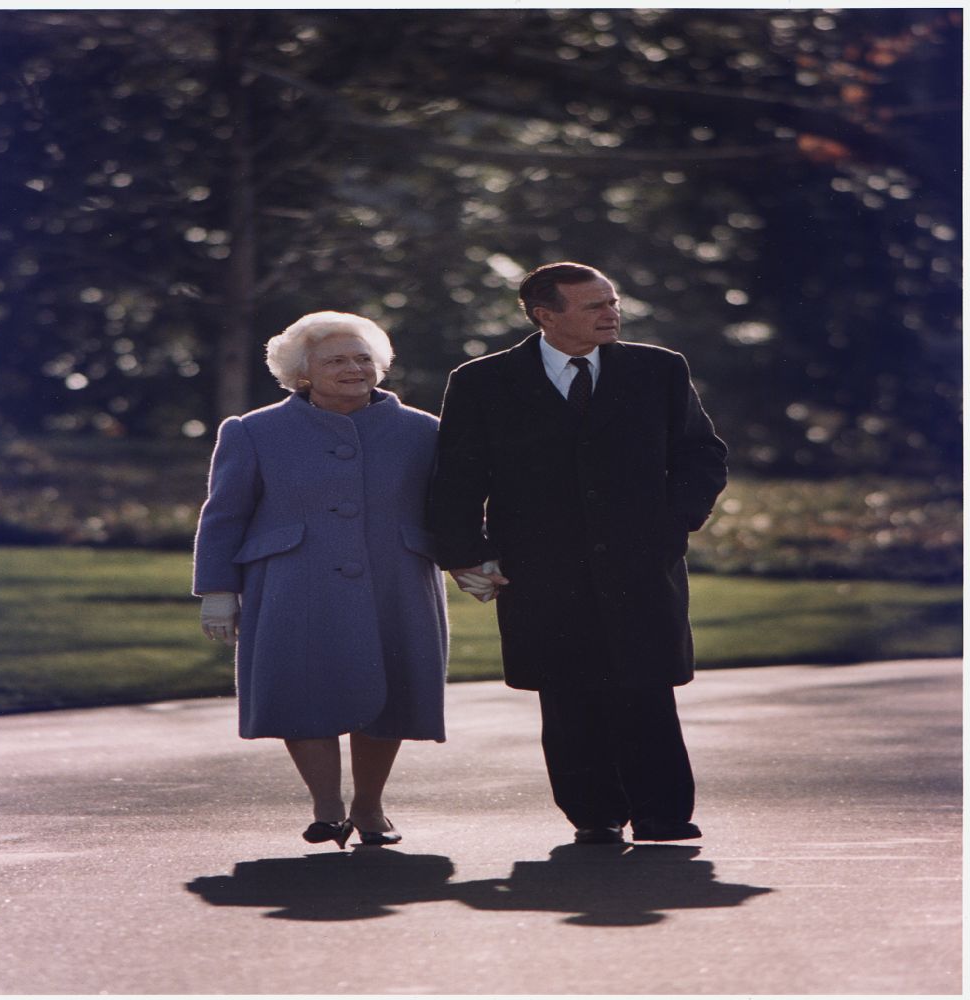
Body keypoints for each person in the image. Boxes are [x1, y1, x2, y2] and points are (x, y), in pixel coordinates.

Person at [428, 262, 727, 845]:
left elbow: (701, 454)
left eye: (612, 302)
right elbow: (457, 478)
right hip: (539, 568)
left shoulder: (659, 369)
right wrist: (465, 555)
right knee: (566, 693)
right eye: (594, 306)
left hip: (641, 563)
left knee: (646, 685)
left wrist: (674, 523)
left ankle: (663, 814)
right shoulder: (482, 381)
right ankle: (594, 816)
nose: (611, 313)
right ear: (546, 315)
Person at [193, 311, 447, 850]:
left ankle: (370, 808)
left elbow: (452, 508)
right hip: (292, 582)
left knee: (389, 694)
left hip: (396, 580)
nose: (354, 368)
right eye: (336, 360)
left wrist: (476, 558)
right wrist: (217, 590)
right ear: (302, 372)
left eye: (363, 358)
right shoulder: (253, 430)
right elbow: (224, 515)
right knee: (302, 690)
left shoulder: (424, 430)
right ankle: (327, 807)